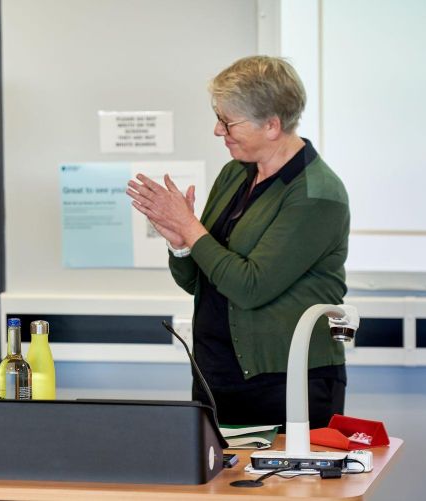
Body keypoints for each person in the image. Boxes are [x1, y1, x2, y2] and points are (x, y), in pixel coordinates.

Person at [127, 56, 349, 429]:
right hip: (217, 374)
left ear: (273, 125)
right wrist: (180, 242)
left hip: (285, 382)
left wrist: (190, 226)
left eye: (228, 121)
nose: (218, 130)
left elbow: (250, 286)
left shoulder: (317, 195)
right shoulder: (235, 174)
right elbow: (198, 280)